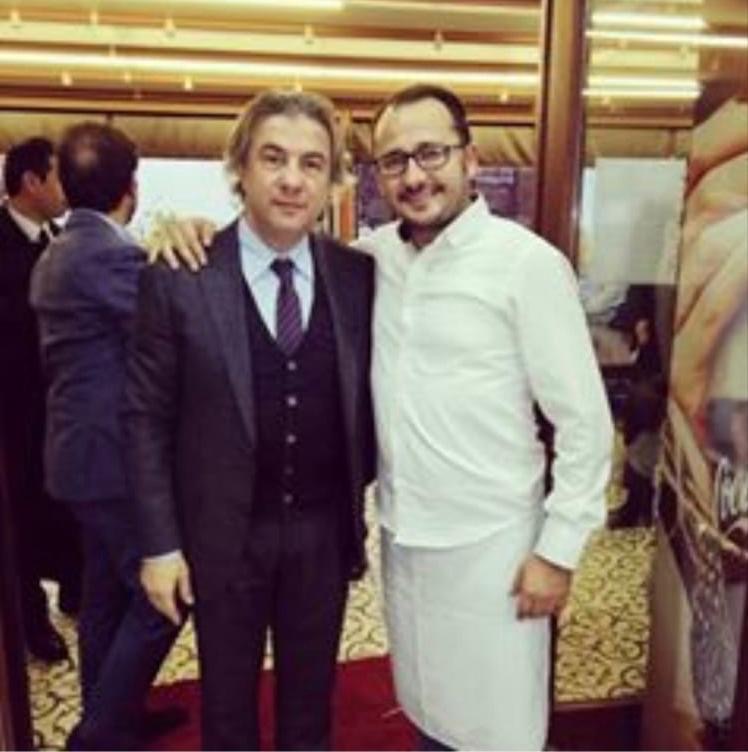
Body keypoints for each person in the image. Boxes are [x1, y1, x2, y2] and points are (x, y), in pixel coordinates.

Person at [150, 83, 614, 751]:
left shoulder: (527, 265)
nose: (415, 176)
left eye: (432, 153)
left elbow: (586, 425)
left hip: (498, 551)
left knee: (500, 728)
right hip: (403, 540)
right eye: (395, 160)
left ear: (471, 159)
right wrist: (186, 228)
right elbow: (268, 255)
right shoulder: (371, 261)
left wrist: (558, 552)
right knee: (426, 709)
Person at [125, 89, 375, 750]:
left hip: (322, 536)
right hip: (222, 537)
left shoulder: (359, 275)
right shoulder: (180, 272)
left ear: (332, 179)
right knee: (227, 711)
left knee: (311, 709)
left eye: (312, 163)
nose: (292, 179)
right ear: (240, 168)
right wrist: (160, 546)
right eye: (273, 158)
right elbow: (145, 418)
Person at [30, 122, 183, 750]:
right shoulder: (110, 256)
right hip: (112, 462)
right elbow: (172, 328)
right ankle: (96, 737)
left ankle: (115, 719)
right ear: (132, 187)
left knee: (104, 599)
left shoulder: (59, 249)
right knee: (165, 600)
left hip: (76, 456)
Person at [0, 136, 81, 663]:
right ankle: (32, 622)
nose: (66, 189)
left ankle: (74, 590)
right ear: (31, 181)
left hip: (60, 412)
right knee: (20, 528)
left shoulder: (60, 240)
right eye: (58, 177)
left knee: (65, 510)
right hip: (14, 416)